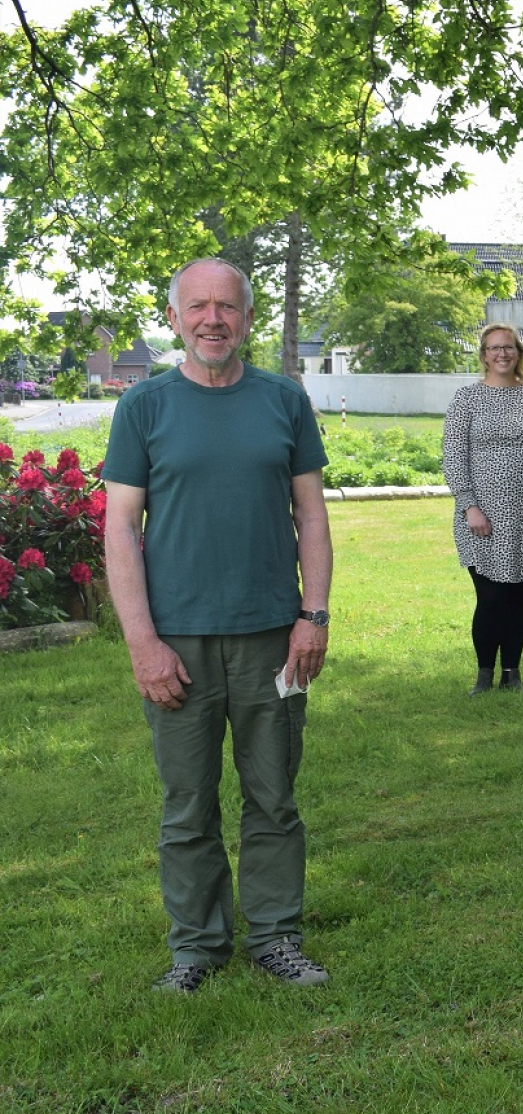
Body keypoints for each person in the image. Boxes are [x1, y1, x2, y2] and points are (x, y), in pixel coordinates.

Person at [102, 257, 334, 992]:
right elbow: (119, 529)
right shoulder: (144, 407)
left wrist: (313, 616)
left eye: (226, 308)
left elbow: (311, 515)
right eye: (197, 307)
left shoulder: (283, 401)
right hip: (178, 642)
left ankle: (274, 935)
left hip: (272, 633)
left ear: (247, 319)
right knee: (187, 805)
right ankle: (197, 948)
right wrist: (142, 642)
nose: (212, 320)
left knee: (273, 795)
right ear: (174, 318)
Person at [442, 323, 523, 694]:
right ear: (483, 355)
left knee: (517, 597)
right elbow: (453, 456)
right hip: (482, 517)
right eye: (494, 348)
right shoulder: (466, 399)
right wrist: (469, 506)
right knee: (491, 596)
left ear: (519, 353)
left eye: (508, 347)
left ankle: (512, 673)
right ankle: (484, 675)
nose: (502, 354)